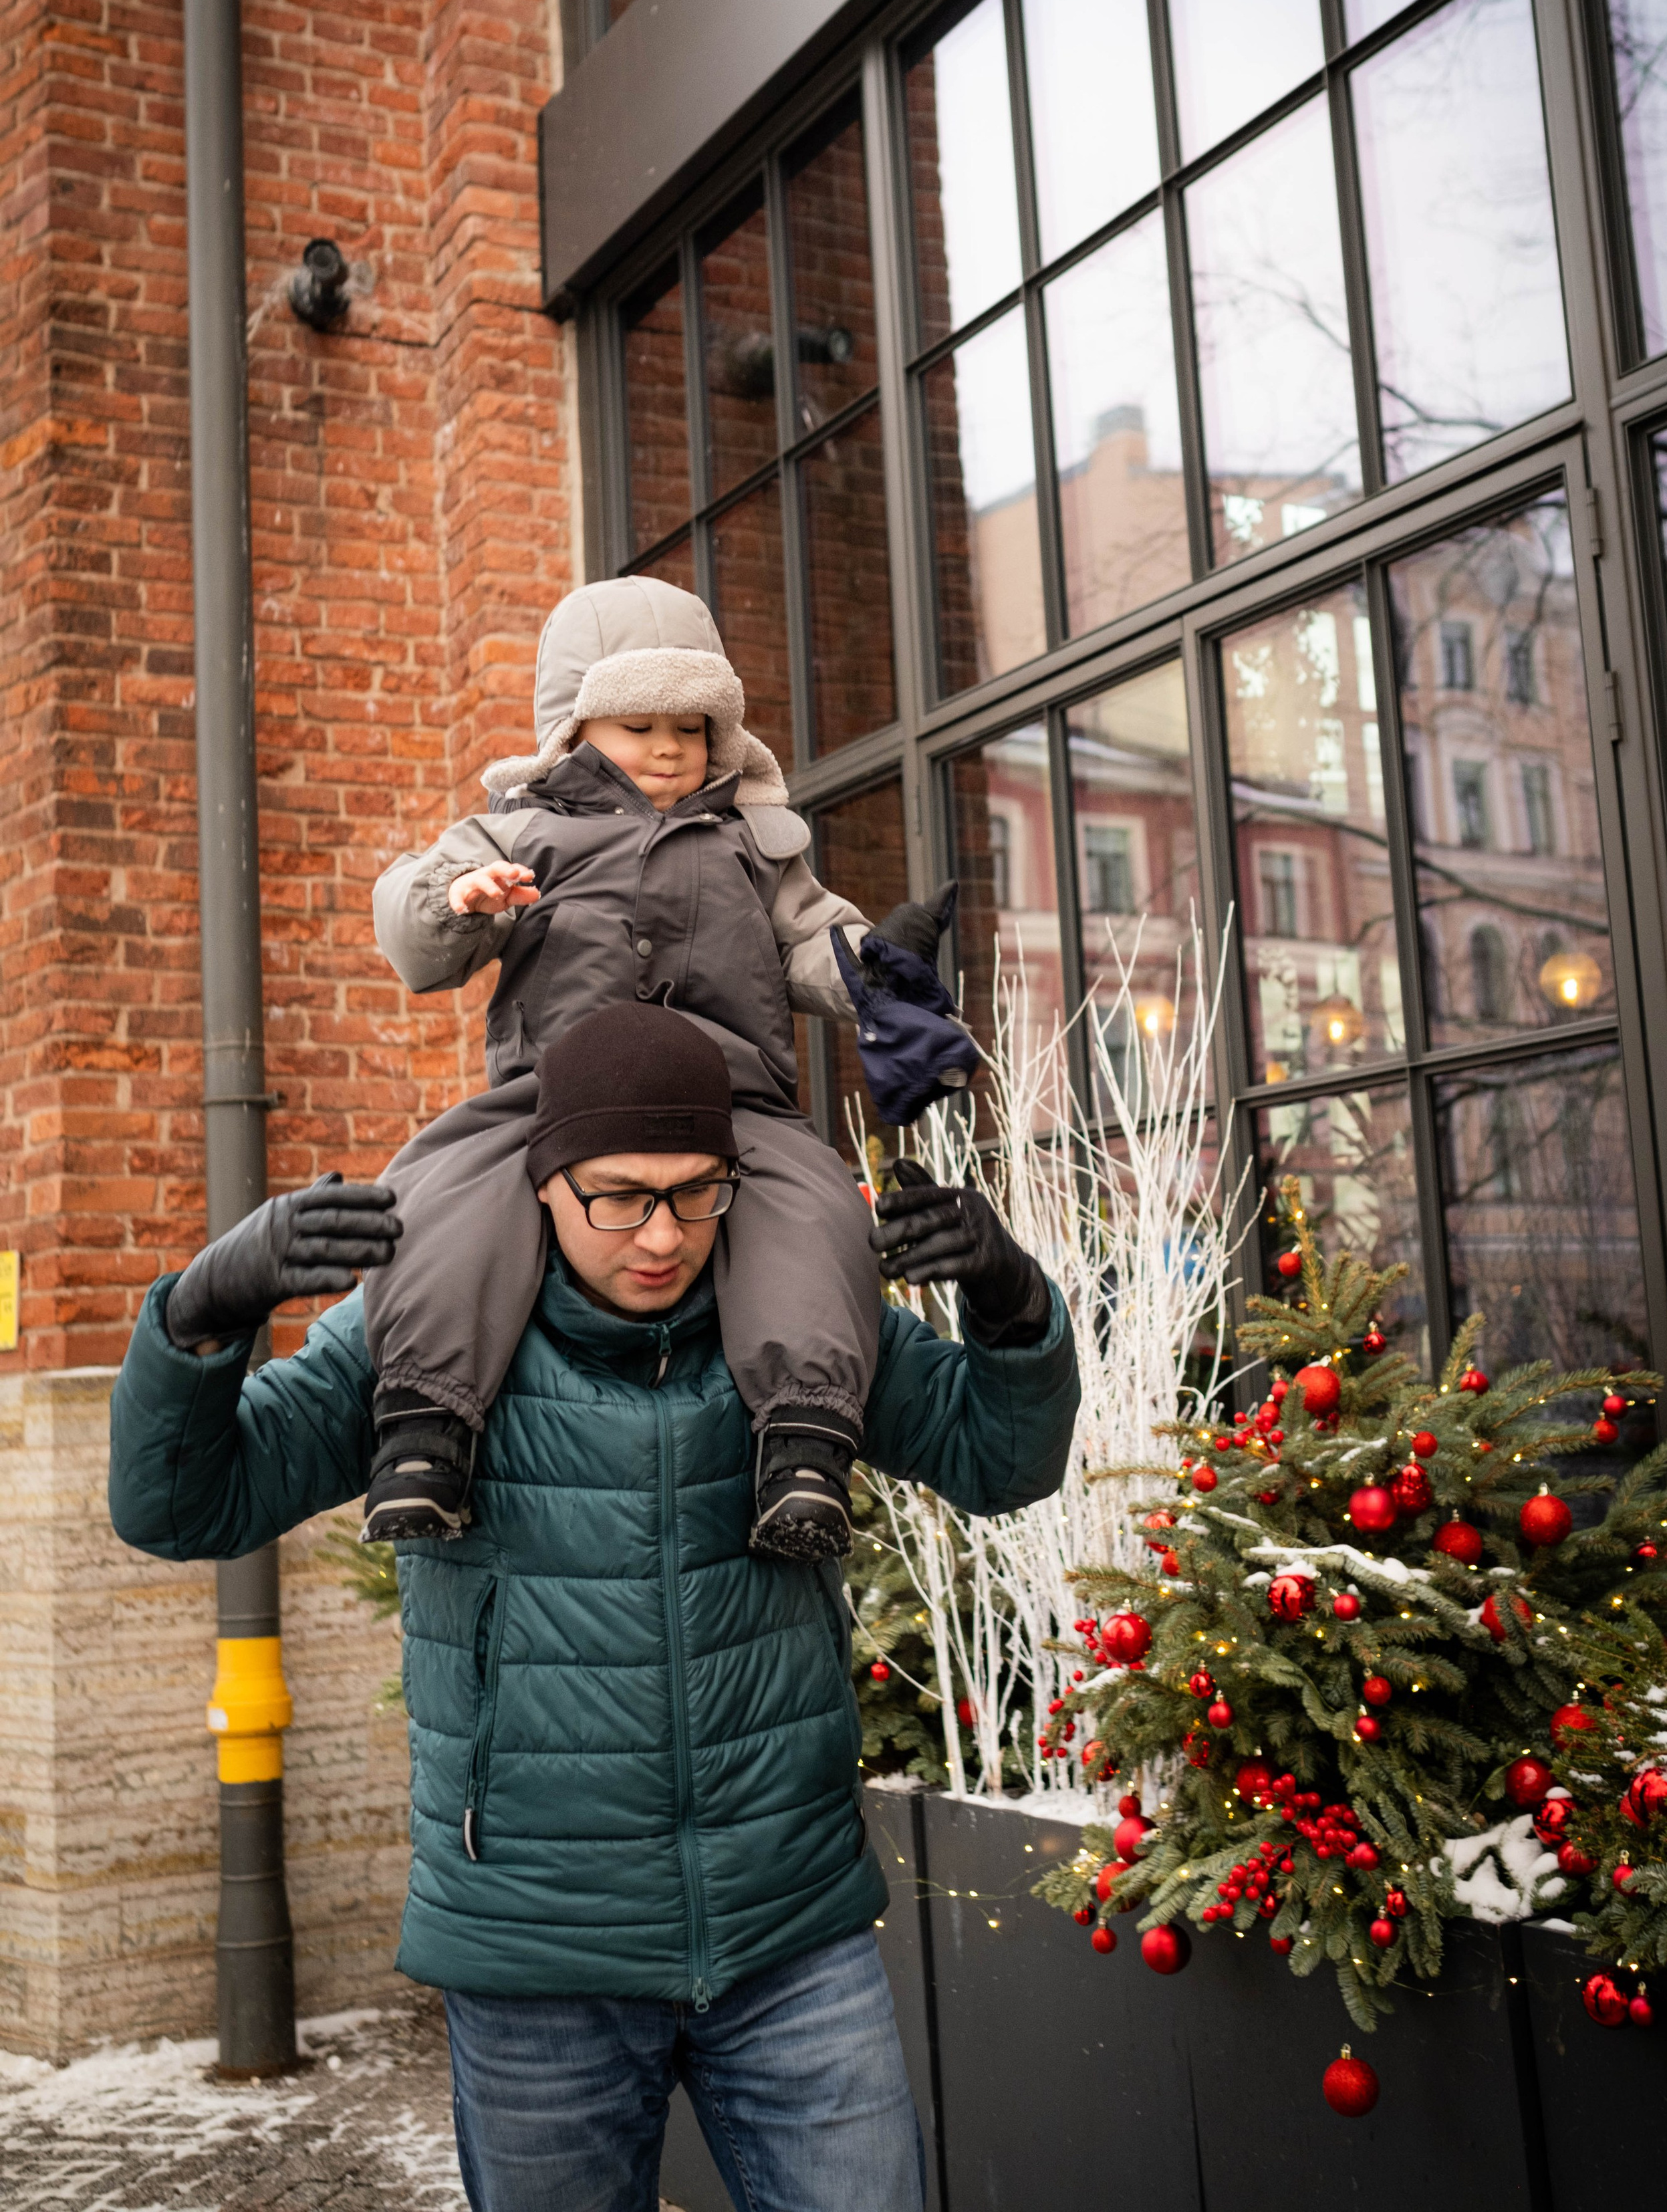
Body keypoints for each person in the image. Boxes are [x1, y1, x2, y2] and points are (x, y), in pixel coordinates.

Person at [108, 1004, 1078, 2212]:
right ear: (544, 1183)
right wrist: (201, 1318)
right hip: (534, 1957)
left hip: (790, 1934)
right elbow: (182, 1508)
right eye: (618, 1196)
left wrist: (1009, 1306)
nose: (664, 1235)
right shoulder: (426, 1343)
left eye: (697, 1192)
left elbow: (1003, 1461)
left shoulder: (799, 1318)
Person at [362, 575, 975, 1561]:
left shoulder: (755, 843)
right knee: (443, 1195)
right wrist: (458, 900)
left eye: (688, 727)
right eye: (636, 725)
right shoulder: (520, 837)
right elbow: (411, 932)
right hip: (548, 1102)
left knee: (812, 1209)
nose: (665, 748)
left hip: (732, 1106)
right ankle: (424, 1430)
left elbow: (815, 937)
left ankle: (807, 1448)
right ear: (572, 729)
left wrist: (881, 981)